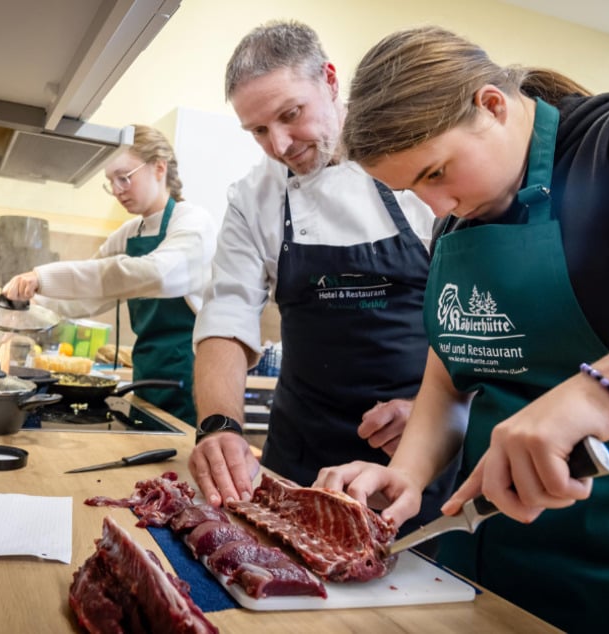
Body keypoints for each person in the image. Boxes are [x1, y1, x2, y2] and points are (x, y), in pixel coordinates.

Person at [313, 25, 609, 633]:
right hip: (495, 565)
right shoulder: (460, 219)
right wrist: (410, 473)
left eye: (436, 172)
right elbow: (452, 378)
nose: (437, 207)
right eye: (412, 190)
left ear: (492, 105)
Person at [188, 20, 458, 538]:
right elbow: (226, 316)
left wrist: (428, 415)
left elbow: (470, 314)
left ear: (331, 81)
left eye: (292, 115)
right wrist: (219, 426)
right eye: (259, 131)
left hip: (415, 453)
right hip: (300, 454)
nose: (281, 144)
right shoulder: (253, 197)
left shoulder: (413, 162)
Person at [2, 125, 215, 425]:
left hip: (191, 379)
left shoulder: (193, 222)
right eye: (110, 182)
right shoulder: (128, 234)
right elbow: (89, 294)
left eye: (124, 177)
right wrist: (30, 307)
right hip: (146, 376)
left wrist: (44, 276)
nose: (116, 190)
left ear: (159, 168)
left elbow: (156, 274)